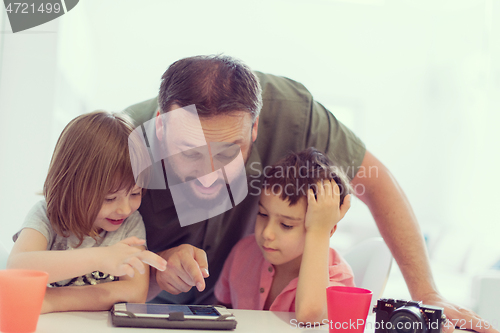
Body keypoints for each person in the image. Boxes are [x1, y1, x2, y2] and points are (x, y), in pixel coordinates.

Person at [124, 54, 496, 333]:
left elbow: (377, 184)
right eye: (188, 152)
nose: (208, 175)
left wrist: (427, 293)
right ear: (160, 125)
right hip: (146, 307)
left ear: (255, 129)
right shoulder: (117, 144)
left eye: (228, 151)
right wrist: (155, 270)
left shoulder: (293, 114)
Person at [7, 111, 167, 313]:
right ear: (72, 185)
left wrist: (49, 301)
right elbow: (17, 268)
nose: (125, 209)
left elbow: (135, 292)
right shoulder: (47, 215)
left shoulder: (130, 222)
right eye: (109, 198)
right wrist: (100, 258)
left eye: (135, 193)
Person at [214, 148, 354, 323]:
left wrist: (319, 233)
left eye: (286, 225)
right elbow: (221, 311)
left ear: (328, 230)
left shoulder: (338, 276)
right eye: (263, 214)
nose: (267, 233)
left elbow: (310, 315)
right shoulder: (243, 252)